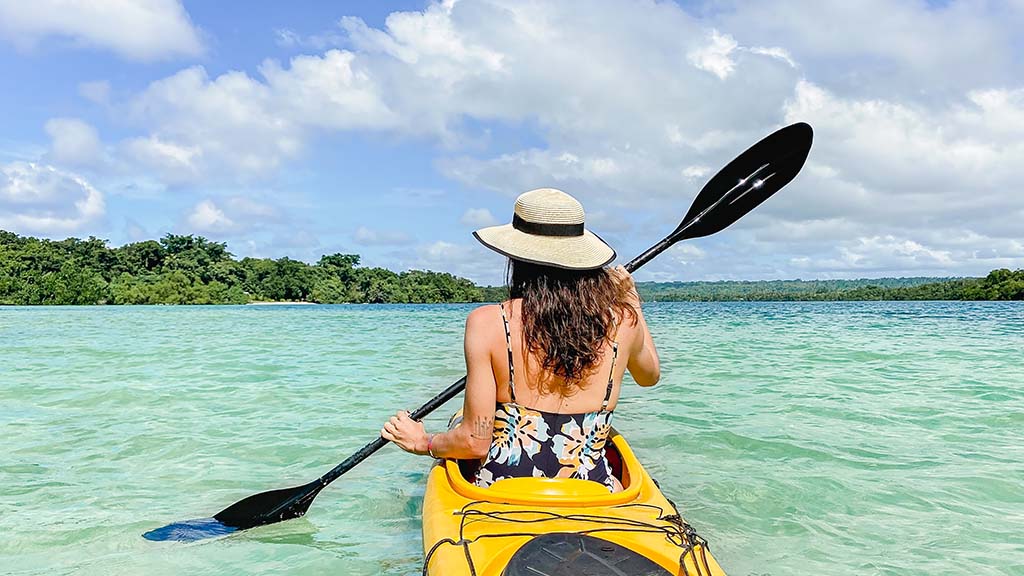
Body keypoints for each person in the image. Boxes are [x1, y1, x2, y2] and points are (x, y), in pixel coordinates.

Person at [381, 188, 659, 492]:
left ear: (517, 256)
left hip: (504, 486)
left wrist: (424, 442)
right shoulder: (622, 320)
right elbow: (649, 375)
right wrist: (631, 301)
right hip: (592, 487)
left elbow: (474, 442)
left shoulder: (487, 322)